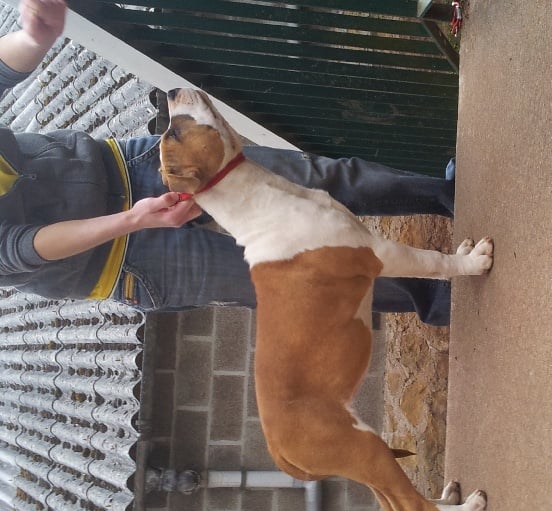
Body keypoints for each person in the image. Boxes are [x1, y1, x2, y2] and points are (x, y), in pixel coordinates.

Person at [0, 0, 456, 325]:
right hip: (120, 258)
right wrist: (133, 220)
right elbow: (20, 250)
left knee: (315, 178)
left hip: (127, 163)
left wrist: (33, 37)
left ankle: (446, 195)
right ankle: (439, 295)